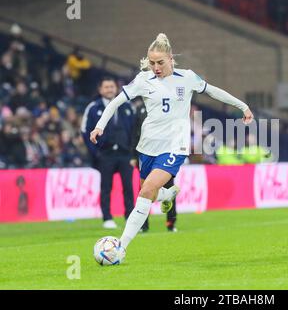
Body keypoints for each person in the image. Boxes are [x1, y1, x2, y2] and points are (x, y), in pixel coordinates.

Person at [90, 33, 254, 252]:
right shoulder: (143, 80)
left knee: (146, 190)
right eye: (152, 63)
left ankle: (121, 247)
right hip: (147, 146)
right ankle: (167, 194)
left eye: (160, 62)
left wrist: (242, 106)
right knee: (147, 191)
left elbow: (213, 91)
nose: (156, 67)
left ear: (171, 59)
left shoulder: (186, 77)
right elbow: (115, 103)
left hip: (175, 146)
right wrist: (100, 125)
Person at [81, 77, 135, 229]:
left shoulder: (127, 106)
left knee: (128, 187)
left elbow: (135, 131)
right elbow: (85, 131)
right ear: (100, 89)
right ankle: (107, 218)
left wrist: (133, 152)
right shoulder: (93, 107)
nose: (110, 89)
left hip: (125, 154)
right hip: (105, 154)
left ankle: (130, 216)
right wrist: (96, 153)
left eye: (112, 86)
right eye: (106, 87)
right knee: (106, 187)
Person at [130, 97, 178, 232]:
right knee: (144, 190)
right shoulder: (139, 110)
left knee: (168, 186)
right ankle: (143, 225)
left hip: (165, 153)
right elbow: (134, 134)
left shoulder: (167, 107)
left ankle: (171, 222)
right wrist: (133, 155)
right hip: (145, 154)